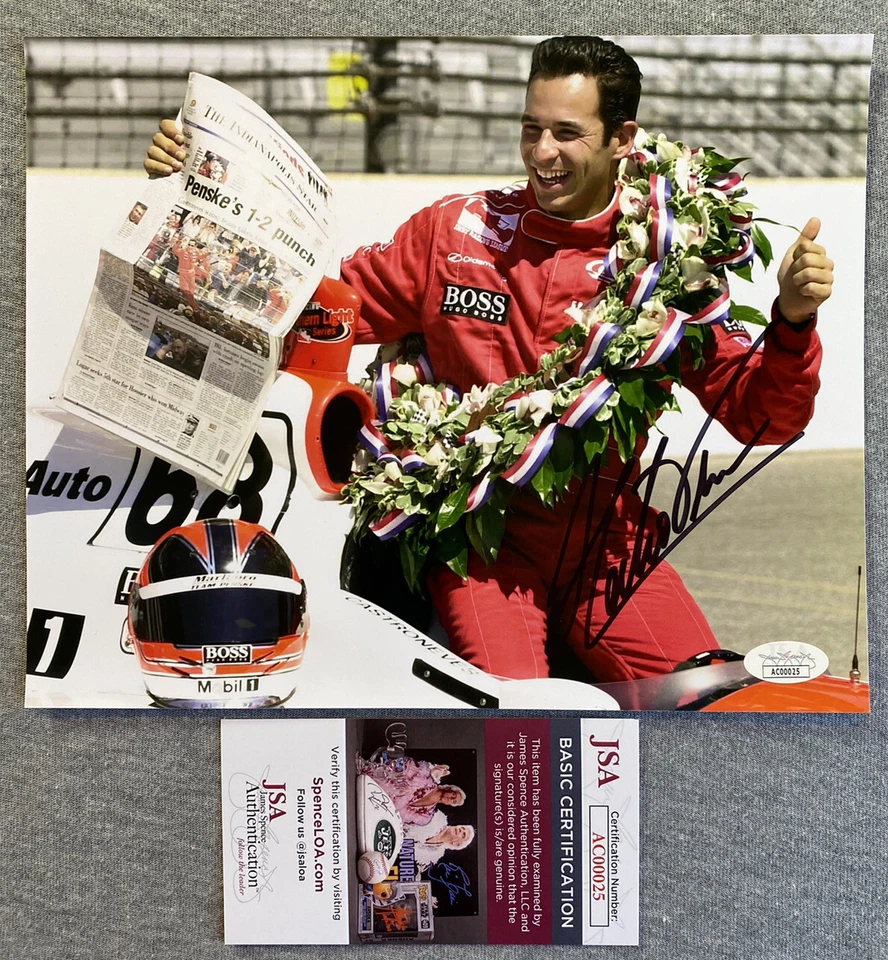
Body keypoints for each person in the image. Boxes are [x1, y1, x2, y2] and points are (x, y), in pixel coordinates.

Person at [144, 36, 835, 684]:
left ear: (624, 140)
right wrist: (193, 202)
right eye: (532, 128)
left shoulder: (666, 261)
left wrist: (794, 323)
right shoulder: (454, 230)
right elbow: (307, 311)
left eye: (567, 133)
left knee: (709, 698)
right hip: (480, 544)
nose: (542, 152)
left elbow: (760, 416)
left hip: (608, 546)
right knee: (515, 725)